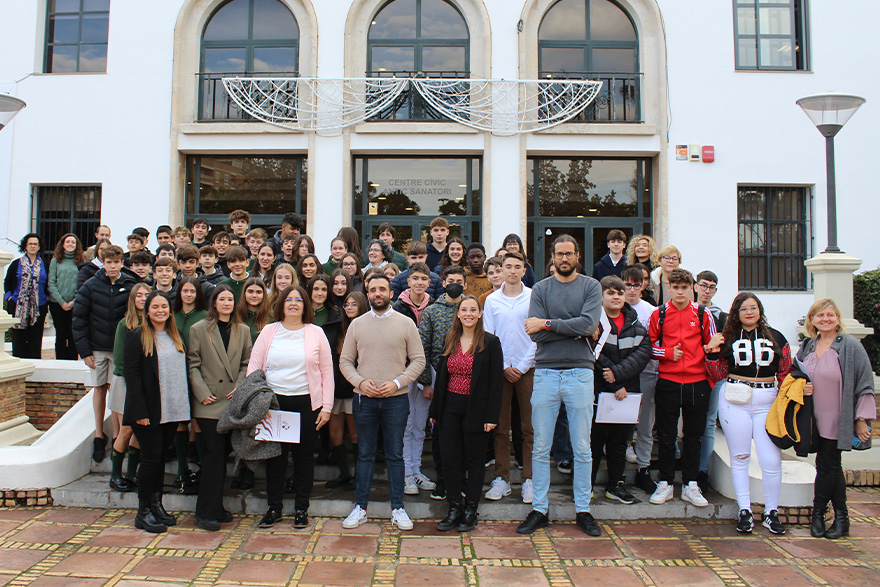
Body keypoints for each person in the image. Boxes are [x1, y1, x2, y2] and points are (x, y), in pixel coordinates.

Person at [517, 235, 602, 537]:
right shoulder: (540, 288)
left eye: (569, 254)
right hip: (546, 373)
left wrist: (549, 324)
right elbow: (534, 334)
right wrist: (570, 327)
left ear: (578, 256)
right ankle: (539, 509)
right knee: (541, 447)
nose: (564, 259)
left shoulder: (591, 286)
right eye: (559, 254)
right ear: (551, 257)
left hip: (580, 373)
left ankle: (583, 509)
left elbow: (588, 326)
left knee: (581, 446)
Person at [339, 273, 426, 531]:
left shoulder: (406, 323)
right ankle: (360, 507)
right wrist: (360, 382)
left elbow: (418, 360)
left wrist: (397, 383)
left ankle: (398, 508)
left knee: (395, 455)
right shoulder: (357, 324)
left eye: (382, 289)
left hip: (396, 400)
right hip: (364, 399)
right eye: (373, 289)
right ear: (367, 294)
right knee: (364, 454)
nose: (378, 293)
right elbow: (345, 361)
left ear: (391, 293)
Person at [248, 285, 334, 529]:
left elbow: (327, 372)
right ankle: (274, 508)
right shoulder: (268, 331)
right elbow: (254, 368)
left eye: (299, 300)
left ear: (306, 305)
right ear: (281, 304)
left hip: (306, 403)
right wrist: (257, 402)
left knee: (304, 458)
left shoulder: (316, 332)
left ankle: (300, 509)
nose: (294, 303)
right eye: (289, 299)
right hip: (273, 403)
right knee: (275, 458)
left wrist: (326, 407)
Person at [704, 292, 791, 534]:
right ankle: (745, 509)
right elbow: (717, 374)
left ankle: (772, 511)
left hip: (766, 400)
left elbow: (785, 371)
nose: (749, 312)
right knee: (740, 456)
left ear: (760, 310)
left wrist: (785, 400)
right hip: (735, 398)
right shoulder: (727, 337)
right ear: (736, 313)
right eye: (744, 309)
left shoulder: (776, 337)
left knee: (771, 459)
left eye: (753, 308)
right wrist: (711, 352)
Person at [798, 299, 876, 540]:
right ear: (812, 320)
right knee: (830, 467)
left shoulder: (849, 346)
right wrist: (801, 387)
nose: (826, 319)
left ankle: (818, 516)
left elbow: (864, 382)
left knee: (826, 466)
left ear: (838, 319)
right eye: (820, 316)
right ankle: (842, 518)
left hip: (837, 418)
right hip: (814, 419)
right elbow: (796, 376)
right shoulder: (809, 345)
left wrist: (861, 418)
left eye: (830, 315)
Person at [430, 295, 503, 531]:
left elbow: (495, 383)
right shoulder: (450, 340)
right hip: (449, 407)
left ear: (480, 314)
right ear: (458, 314)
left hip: (477, 410)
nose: (469, 313)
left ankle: (471, 510)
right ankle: (454, 508)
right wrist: (435, 411)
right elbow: (441, 377)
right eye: (464, 310)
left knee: (474, 461)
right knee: (450, 460)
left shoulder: (490, 343)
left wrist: (492, 416)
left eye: (473, 310)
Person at [123, 291, 191, 533]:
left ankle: (156, 505)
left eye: (164, 306)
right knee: (150, 459)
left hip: (172, 408)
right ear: (147, 310)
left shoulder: (176, 336)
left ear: (170, 310)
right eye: (155, 306)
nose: (160, 310)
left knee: (160, 458)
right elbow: (131, 375)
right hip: (149, 410)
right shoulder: (137, 336)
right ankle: (143, 512)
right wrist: (140, 410)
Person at [647, 268, 716, 507]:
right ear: (668, 288)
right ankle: (665, 482)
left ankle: (690, 484)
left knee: (693, 436)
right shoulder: (659, 314)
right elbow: (649, 347)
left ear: (692, 289)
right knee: (666, 435)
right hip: (668, 381)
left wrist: (710, 370)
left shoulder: (703, 313)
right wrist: (666, 353)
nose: (679, 292)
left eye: (684, 287)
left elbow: (713, 346)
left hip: (698, 382)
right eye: (675, 287)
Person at [187, 285, 253, 531]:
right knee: (214, 456)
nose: (226, 303)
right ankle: (205, 512)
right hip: (209, 402)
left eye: (230, 299)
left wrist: (240, 385)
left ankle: (216, 507)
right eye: (222, 299)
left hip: (233, 400)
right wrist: (202, 393)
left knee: (222, 455)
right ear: (214, 302)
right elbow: (192, 364)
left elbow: (247, 362)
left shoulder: (243, 330)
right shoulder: (199, 329)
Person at [73, 244, 137, 462]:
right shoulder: (90, 286)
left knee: (117, 391)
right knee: (99, 389)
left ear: (121, 262)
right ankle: (99, 435)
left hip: (121, 348)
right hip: (97, 348)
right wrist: (84, 351)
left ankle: (118, 435)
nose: (112, 266)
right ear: (103, 262)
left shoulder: (130, 284)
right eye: (108, 262)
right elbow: (79, 319)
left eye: (116, 262)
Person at [590, 276, 651, 504]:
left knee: (618, 444)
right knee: (594, 442)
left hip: (627, 393)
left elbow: (642, 354)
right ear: (601, 296)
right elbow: (592, 352)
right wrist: (614, 382)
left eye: (620, 293)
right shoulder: (594, 323)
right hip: (599, 392)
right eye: (610, 293)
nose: (616, 297)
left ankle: (616, 486)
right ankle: (585, 487)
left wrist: (619, 377)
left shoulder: (635, 325)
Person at [482, 251, 536, 504]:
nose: (512, 271)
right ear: (500, 270)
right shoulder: (492, 301)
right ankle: (502, 478)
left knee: (529, 427)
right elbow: (488, 337)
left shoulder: (533, 297)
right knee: (501, 427)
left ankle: (529, 479)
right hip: (500, 370)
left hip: (528, 369)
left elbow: (538, 336)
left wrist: (523, 366)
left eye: (518, 267)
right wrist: (504, 366)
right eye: (508, 267)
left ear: (524, 270)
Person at [418, 266, 468, 500]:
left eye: (459, 280)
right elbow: (422, 349)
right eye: (451, 280)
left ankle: (462, 478)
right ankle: (441, 480)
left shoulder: (471, 310)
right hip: (438, 375)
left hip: (466, 378)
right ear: (444, 284)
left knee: (463, 431)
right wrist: (426, 382)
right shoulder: (431, 312)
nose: (455, 284)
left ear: (465, 285)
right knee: (439, 431)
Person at [391, 262, 436, 496]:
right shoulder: (397, 308)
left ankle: (416, 470)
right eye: (415, 278)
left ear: (429, 283)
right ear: (408, 281)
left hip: (427, 373)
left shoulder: (434, 308)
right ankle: (406, 473)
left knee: (420, 425)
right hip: (404, 372)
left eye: (423, 279)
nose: (419, 282)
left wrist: (426, 378)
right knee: (406, 425)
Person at [107, 283, 151, 492]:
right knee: (126, 429)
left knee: (139, 431)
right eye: (139, 295)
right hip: (126, 382)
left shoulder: (154, 323)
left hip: (146, 383)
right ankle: (116, 475)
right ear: (132, 299)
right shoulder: (125, 324)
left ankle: (132, 474)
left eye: (146, 295)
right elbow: (119, 359)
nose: (142, 298)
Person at [620, 266, 659, 495]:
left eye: (636, 284)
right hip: (619, 374)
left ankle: (644, 468)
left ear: (643, 285)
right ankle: (619, 473)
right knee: (619, 425)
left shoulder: (652, 312)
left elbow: (653, 345)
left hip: (646, 372)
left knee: (645, 425)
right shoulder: (612, 308)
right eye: (627, 284)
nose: (631, 289)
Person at [326, 291, 368, 490]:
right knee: (335, 435)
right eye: (346, 305)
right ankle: (344, 473)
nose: (349, 307)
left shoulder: (367, 327)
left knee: (355, 435)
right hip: (335, 388)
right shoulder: (337, 328)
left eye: (354, 304)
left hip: (356, 389)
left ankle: (359, 476)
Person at [694, 270, 729, 492]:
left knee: (708, 422)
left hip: (714, 376)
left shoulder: (723, 317)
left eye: (712, 287)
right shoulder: (686, 311)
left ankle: (702, 471)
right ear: (695, 286)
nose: (707, 291)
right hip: (689, 373)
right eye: (704, 285)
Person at [4, 233, 49, 359]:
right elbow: (7, 282)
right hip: (18, 307)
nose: (33, 246)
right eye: (30, 244)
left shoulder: (45, 264)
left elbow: (49, 283)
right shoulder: (16, 264)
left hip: (38, 306)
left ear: (39, 247)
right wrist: (9, 297)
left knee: (35, 338)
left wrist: (47, 298)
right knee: (19, 338)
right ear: (25, 246)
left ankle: (35, 366)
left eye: (35, 244)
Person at [47, 233, 83, 360]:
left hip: (75, 304)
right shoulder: (55, 261)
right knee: (61, 334)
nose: (70, 244)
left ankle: (72, 361)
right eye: (67, 242)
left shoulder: (81, 261)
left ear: (76, 245)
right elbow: (51, 283)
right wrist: (62, 302)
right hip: (57, 304)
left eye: (73, 242)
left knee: (73, 334)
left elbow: (83, 284)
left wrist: (73, 302)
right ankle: (60, 361)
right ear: (62, 244)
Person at [237, 277, 271, 343]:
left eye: (258, 292)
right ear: (244, 293)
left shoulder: (272, 318)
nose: (254, 295)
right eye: (250, 292)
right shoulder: (234, 315)